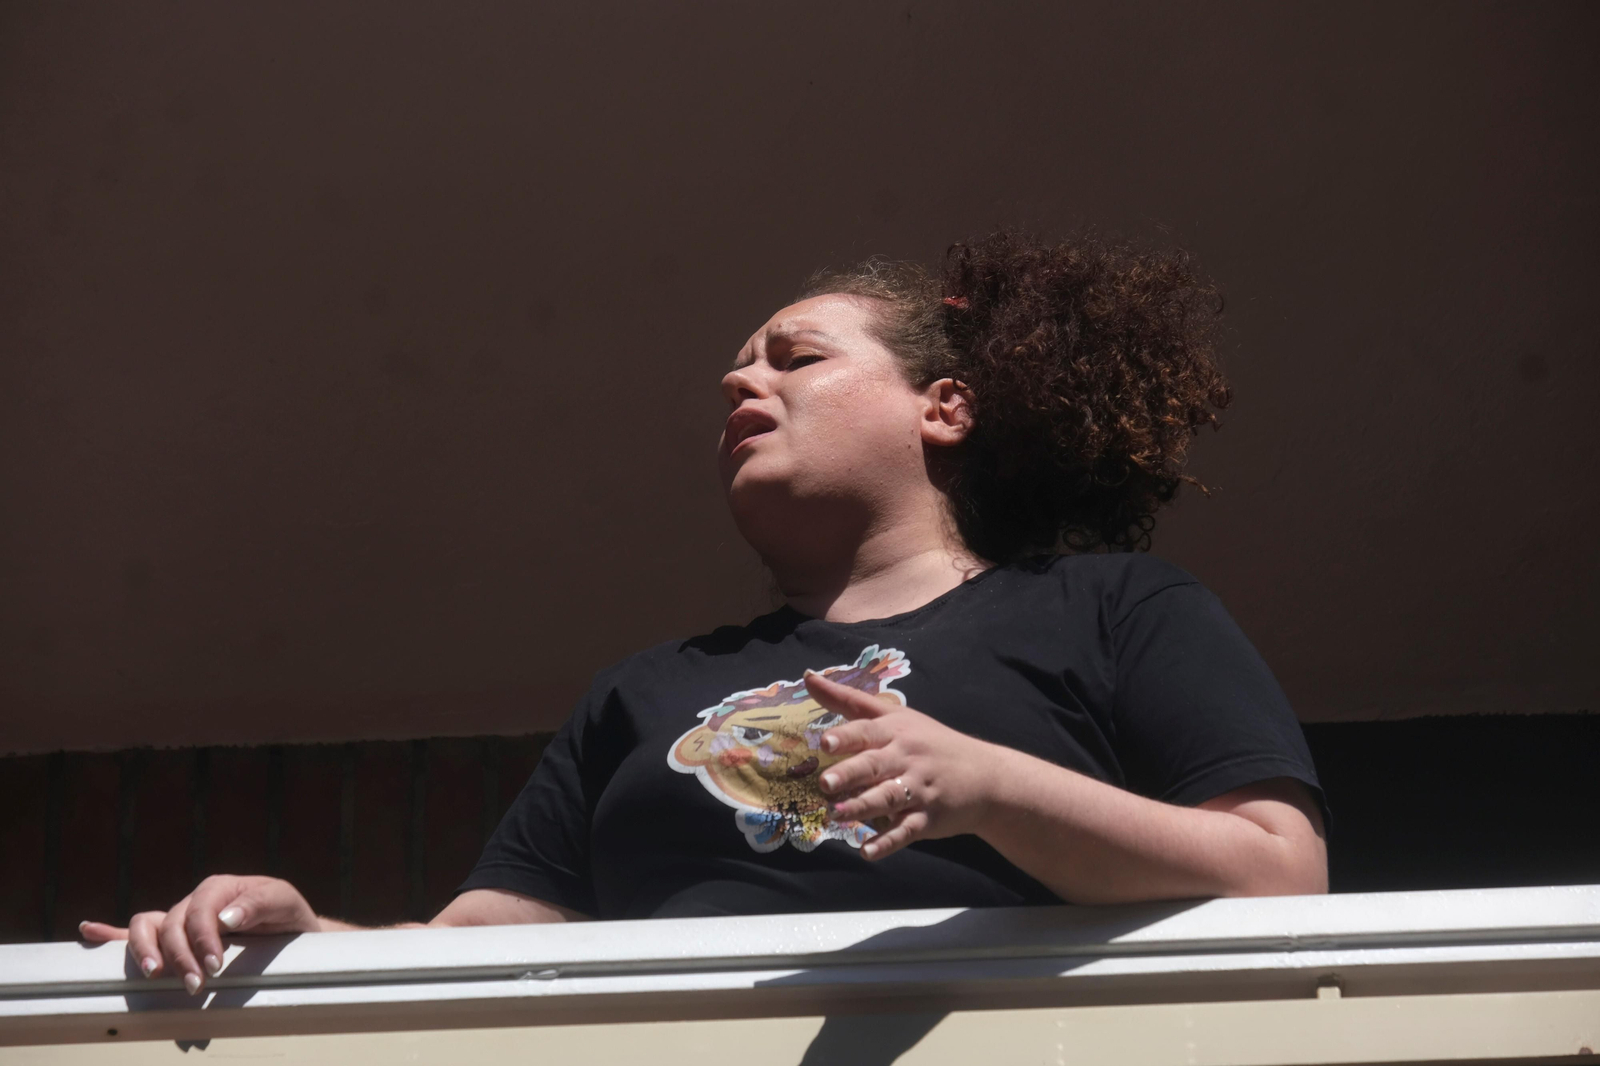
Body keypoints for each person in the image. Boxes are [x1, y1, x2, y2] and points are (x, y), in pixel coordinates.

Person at [81, 230, 1327, 996]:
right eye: (738, 364)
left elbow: (1282, 879)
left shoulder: (1109, 606)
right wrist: (304, 936)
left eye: (796, 356)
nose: (742, 377)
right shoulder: (642, 690)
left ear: (942, 407)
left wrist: (992, 786)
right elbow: (470, 952)